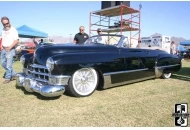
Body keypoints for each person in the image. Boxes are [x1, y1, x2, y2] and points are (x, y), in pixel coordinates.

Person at [1, 16, 19, 84]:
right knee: (2, 63)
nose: (6, 25)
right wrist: (1, 46)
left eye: (7, 23)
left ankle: (8, 78)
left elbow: (16, 40)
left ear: (9, 22)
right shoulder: (3, 30)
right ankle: (14, 74)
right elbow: (2, 39)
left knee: (8, 65)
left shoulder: (13, 30)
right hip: (3, 49)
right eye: (4, 24)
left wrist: (10, 47)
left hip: (10, 49)